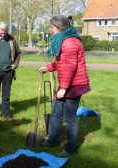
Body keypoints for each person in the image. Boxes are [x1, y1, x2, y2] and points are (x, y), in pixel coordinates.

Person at [39, 15, 90, 157]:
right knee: (56, 113)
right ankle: (53, 140)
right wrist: (49, 67)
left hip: (74, 85)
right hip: (68, 84)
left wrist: (63, 88)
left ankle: (70, 148)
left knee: (70, 118)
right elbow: (62, 62)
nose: (50, 30)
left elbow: (70, 67)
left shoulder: (70, 43)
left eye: (52, 27)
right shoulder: (64, 40)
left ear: (59, 28)